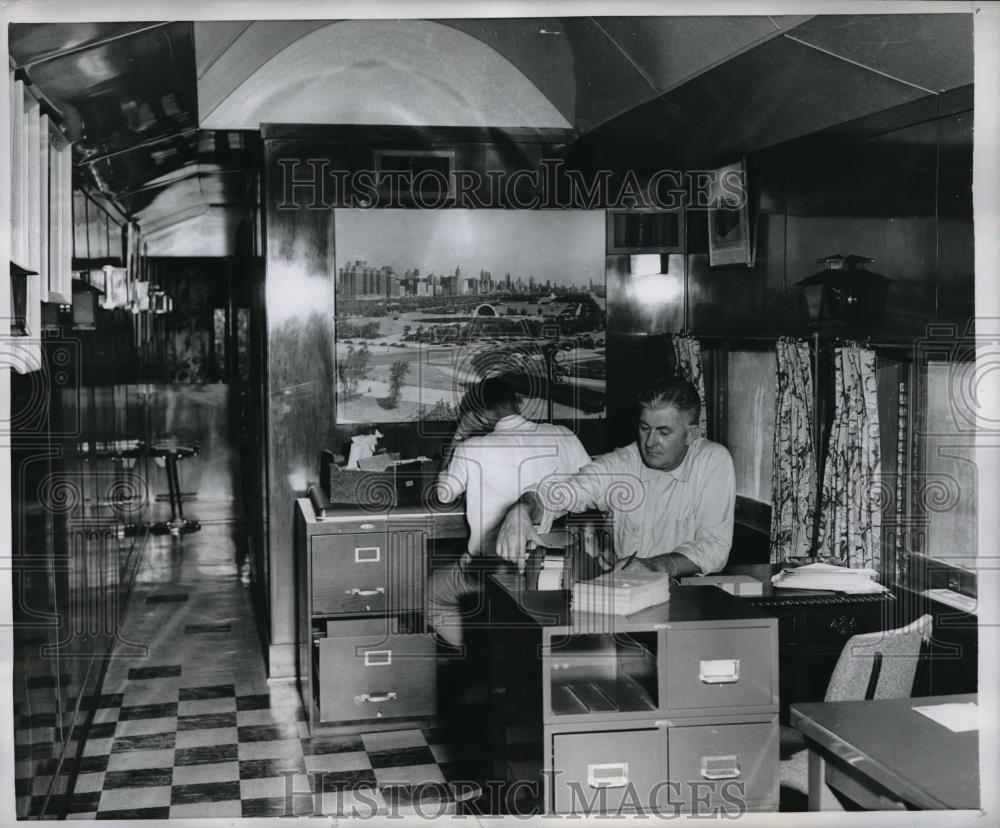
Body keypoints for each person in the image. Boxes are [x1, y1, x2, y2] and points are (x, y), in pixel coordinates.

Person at [495, 376, 735, 578]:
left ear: (691, 434)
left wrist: (654, 565)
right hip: (625, 590)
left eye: (663, 432)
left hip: (688, 595)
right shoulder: (622, 463)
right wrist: (522, 509)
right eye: (644, 428)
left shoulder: (712, 460)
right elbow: (567, 491)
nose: (650, 442)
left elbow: (714, 547)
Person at [429, 375, 591, 647]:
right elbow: (592, 488)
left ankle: (482, 659)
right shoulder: (564, 435)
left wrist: (459, 434)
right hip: (557, 569)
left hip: (494, 571)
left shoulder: (471, 448)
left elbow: (443, 495)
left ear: (479, 413)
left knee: (433, 594)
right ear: (519, 402)